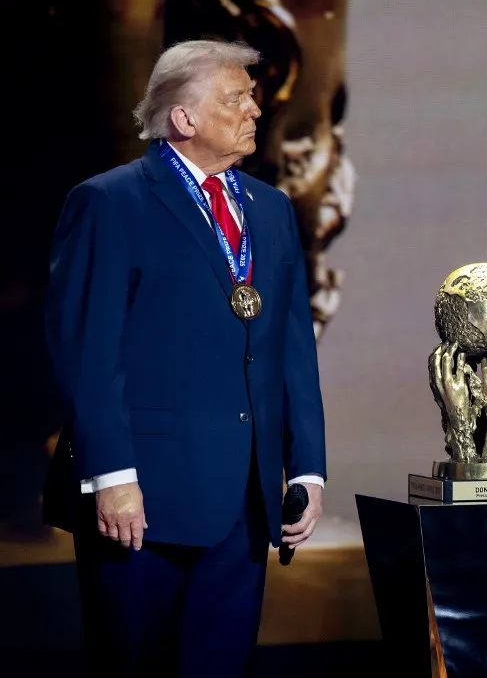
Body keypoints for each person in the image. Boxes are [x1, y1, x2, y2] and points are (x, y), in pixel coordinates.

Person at [43, 40, 328, 677]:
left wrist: (307, 467)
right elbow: (87, 351)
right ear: (184, 118)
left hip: (246, 504)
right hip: (142, 501)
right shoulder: (109, 202)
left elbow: (290, 347)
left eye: (251, 96)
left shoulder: (271, 209)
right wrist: (112, 477)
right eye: (237, 97)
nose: (255, 109)